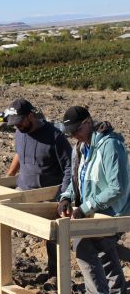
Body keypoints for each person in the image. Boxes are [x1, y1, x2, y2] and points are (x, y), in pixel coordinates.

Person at [0, 98, 72, 287]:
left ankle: (55, 274)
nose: (17, 126)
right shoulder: (19, 132)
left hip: (47, 195)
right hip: (23, 190)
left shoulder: (55, 137)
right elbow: (19, 154)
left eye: (20, 122)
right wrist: (8, 177)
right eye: (14, 123)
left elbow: (70, 168)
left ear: (31, 116)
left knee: (53, 230)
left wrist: (64, 196)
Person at [58, 106, 130, 294]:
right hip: (94, 210)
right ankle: (118, 290)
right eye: (71, 132)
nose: (74, 135)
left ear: (88, 122)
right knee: (105, 251)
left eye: (77, 130)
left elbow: (117, 188)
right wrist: (66, 196)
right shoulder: (83, 147)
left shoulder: (110, 146)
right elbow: (80, 179)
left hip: (113, 212)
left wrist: (85, 208)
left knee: (83, 247)